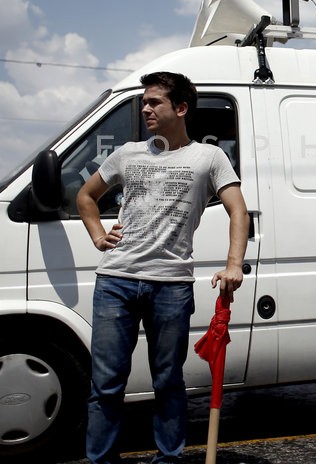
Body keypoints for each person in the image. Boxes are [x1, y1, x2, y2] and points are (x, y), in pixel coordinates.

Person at [77, 71, 249, 463]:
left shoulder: (209, 157)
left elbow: (238, 210)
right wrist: (98, 236)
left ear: (182, 108)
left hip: (171, 285)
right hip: (116, 280)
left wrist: (233, 265)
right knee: (105, 384)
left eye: (154, 101)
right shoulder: (128, 153)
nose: (145, 107)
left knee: (169, 381)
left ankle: (168, 458)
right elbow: (86, 196)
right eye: (145, 100)